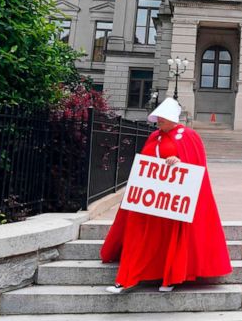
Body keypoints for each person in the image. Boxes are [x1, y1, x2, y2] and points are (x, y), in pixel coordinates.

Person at [99, 98, 232, 293]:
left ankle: (169, 278)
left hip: (172, 201)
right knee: (140, 235)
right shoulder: (154, 136)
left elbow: (196, 165)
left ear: (172, 118)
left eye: (162, 117)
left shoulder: (189, 136)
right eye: (158, 117)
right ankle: (126, 279)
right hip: (152, 199)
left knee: (170, 239)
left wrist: (179, 160)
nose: (158, 120)